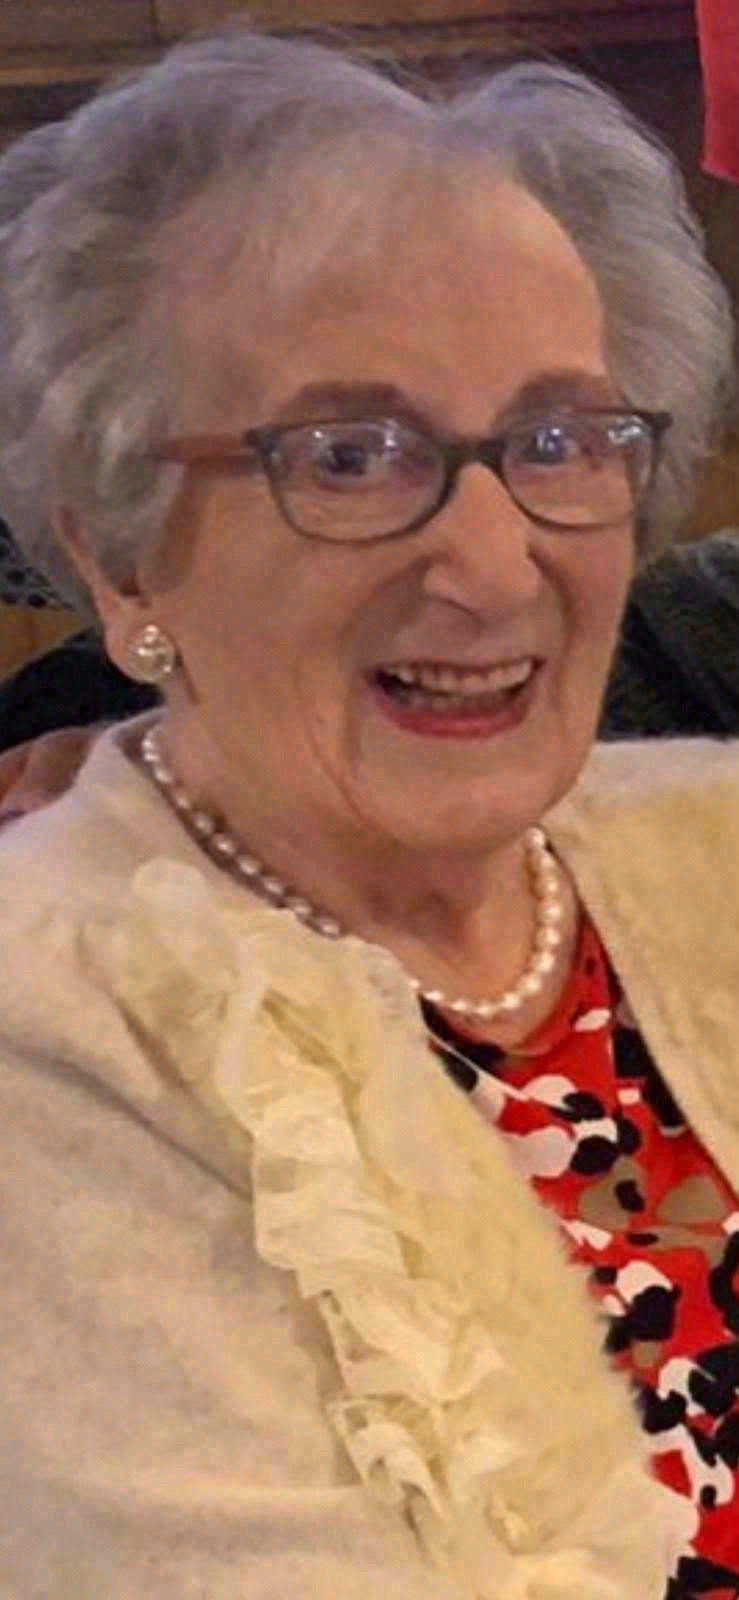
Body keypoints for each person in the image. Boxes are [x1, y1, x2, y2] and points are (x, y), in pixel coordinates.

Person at [0, 23, 737, 1600]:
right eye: (348, 456)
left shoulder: (714, 841)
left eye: (559, 441)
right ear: (121, 557)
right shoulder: (49, 1039)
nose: (491, 563)